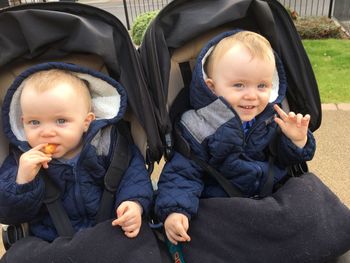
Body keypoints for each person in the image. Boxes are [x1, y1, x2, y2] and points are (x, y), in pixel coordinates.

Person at [154, 30, 316, 245]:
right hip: (221, 205)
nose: (251, 95)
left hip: (271, 200)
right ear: (212, 87)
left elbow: (288, 162)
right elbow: (183, 173)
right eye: (239, 85)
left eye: (262, 86)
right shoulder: (197, 126)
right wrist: (176, 210)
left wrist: (297, 141)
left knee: (316, 202)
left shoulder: (272, 118)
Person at [0, 63, 154, 242]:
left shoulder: (106, 145)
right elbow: (9, 213)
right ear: (22, 122)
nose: (46, 132)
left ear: (86, 121)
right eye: (34, 122)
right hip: (52, 241)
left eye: (60, 120)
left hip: (111, 230)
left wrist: (133, 202)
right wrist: (22, 182)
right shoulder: (21, 160)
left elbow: (133, 175)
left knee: (143, 245)